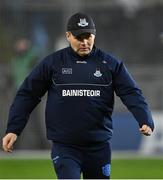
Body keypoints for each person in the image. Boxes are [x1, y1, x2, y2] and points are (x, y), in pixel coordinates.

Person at [2, 12, 154, 179]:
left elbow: (131, 92)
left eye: (88, 36)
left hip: (99, 147)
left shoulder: (110, 64)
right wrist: (13, 129)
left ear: (94, 35)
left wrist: (145, 118)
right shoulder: (53, 63)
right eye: (79, 37)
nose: (84, 42)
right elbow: (28, 94)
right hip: (65, 147)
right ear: (68, 36)